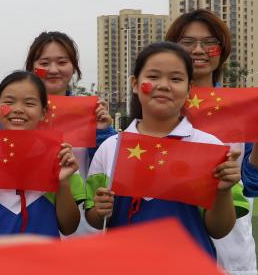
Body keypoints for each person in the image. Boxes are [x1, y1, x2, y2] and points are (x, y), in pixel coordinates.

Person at [85, 42, 245, 257]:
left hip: (188, 269)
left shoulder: (210, 147)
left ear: (189, 89)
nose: (163, 85)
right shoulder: (110, 147)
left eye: (176, 79)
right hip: (123, 268)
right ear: (135, 84)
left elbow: (219, 230)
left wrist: (222, 192)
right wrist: (99, 210)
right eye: (153, 76)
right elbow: (94, 218)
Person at [164, 10, 258, 275]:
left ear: (222, 50)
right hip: (166, 246)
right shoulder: (156, 104)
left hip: (226, 251)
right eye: (187, 42)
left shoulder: (245, 107)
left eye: (209, 42)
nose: (199, 50)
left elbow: (255, 184)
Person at [0, 71, 84, 243]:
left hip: (45, 258)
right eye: (9, 102)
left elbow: (69, 227)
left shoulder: (61, 157)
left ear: (44, 111)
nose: (18, 110)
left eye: (29, 103)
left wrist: (62, 183)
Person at [23, 31, 116, 178]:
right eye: (44, 63)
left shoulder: (90, 113)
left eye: (62, 62)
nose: (53, 70)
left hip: (76, 193)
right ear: (31, 68)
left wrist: (102, 131)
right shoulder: (17, 112)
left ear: (73, 67)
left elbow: (110, 166)